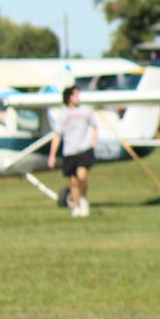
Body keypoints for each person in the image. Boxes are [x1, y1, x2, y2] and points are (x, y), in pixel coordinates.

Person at [45, 84, 100, 219]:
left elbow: (95, 126)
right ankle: (75, 207)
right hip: (69, 150)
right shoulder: (63, 113)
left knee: (82, 176)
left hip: (84, 148)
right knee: (74, 182)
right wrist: (52, 155)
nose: (78, 97)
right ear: (69, 97)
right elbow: (57, 135)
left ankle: (83, 200)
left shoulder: (86, 110)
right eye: (75, 95)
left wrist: (93, 140)